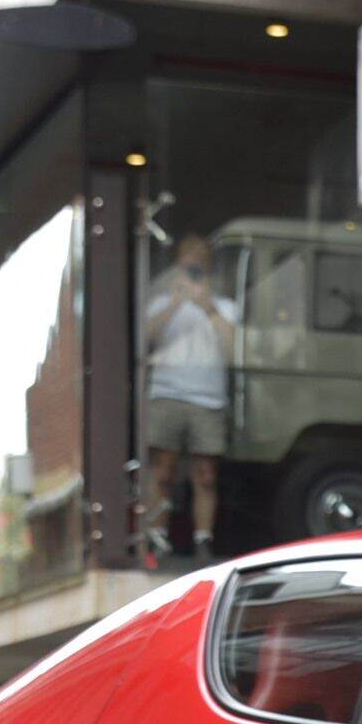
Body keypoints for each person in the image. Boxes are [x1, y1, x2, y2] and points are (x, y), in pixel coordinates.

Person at [142, 234, 239, 561]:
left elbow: (234, 350)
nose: (195, 265)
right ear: (178, 266)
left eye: (200, 260)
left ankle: (203, 541)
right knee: (162, 471)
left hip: (208, 400)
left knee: (206, 475)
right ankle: (156, 537)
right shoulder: (160, 304)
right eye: (189, 260)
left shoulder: (225, 307)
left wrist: (207, 306)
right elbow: (147, 339)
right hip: (167, 393)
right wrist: (175, 301)